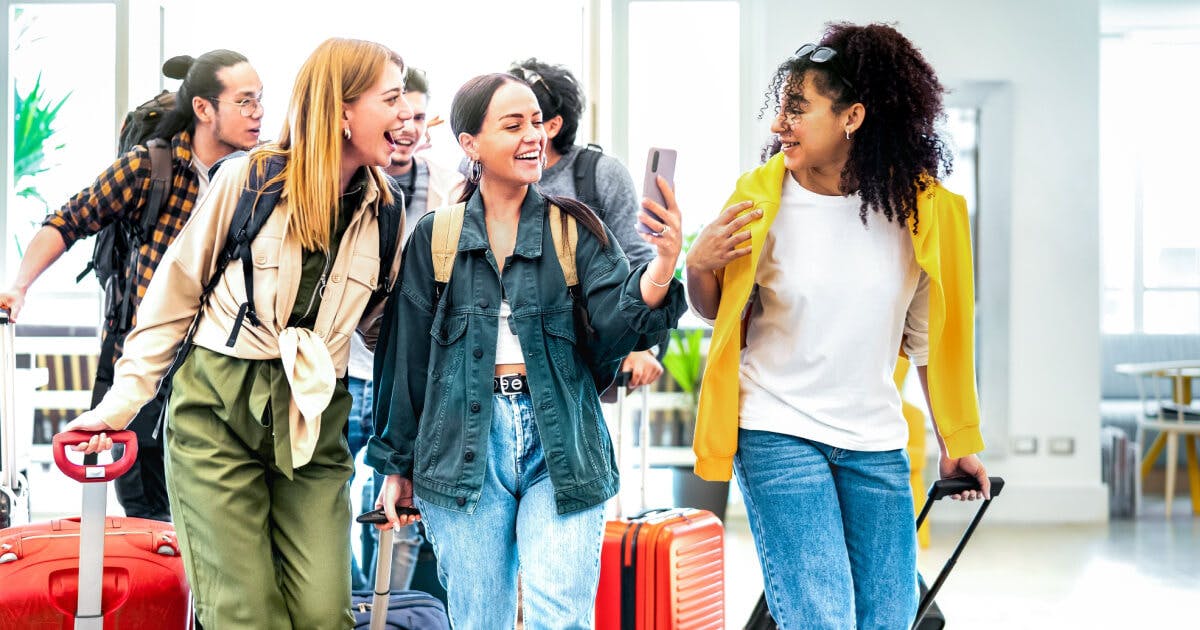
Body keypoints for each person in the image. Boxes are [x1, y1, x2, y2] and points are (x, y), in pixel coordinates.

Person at [61, 38, 411, 628]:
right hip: (217, 411)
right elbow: (173, 297)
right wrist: (118, 406)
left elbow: (385, 335)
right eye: (393, 99)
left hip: (313, 418)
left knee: (326, 615)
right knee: (247, 615)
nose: (406, 115)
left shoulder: (387, 211)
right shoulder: (251, 179)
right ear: (342, 110)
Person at [685, 23, 991, 629]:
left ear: (852, 116)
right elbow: (718, 312)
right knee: (820, 617)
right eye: (779, 108)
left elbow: (933, 342)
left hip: (873, 439)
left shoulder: (927, 213)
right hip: (775, 426)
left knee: (890, 617)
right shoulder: (757, 199)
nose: (779, 124)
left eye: (797, 109)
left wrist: (958, 444)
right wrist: (699, 263)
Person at [367, 72, 687, 629]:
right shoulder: (436, 238)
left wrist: (661, 265)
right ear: (470, 145)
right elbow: (406, 359)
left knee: (558, 618)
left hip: (561, 437)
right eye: (512, 125)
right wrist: (395, 465)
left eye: (536, 122)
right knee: (479, 619)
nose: (532, 135)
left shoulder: (574, 229)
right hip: (460, 444)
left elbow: (616, 321)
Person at [0, 50, 263, 522]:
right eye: (244, 101)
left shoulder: (257, 176)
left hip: (220, 375)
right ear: (205, 109)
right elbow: (68, 220)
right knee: (149, 518)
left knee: (214, 516)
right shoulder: (151, 168)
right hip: (144, 366)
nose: (258, 112)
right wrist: (19, 286)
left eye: (260, 99)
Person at [345, 65, 464, 591]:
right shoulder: (350, 184)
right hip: (346, 371)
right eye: (400, 113)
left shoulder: (449, 188)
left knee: (399, 508)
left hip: (411, 378)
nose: (409, 125)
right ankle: (348, 599)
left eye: (419, 115)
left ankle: (392, 610)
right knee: (328, 496)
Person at [507, 58, 664, 390]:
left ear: (551, 125)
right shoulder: (480, 173)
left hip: (582, 356)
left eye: (529, 119)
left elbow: (637, 260)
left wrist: (640, 346)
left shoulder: (600, 175)